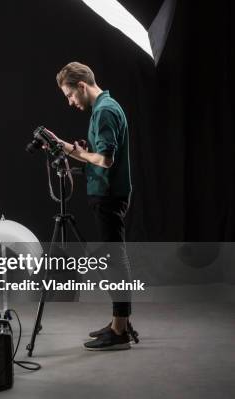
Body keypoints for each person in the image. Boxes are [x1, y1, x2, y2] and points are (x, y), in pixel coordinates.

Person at [49, 61, 138, 350]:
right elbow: (98, 156)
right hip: (109, 193)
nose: (71, 102)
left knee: (116, 260)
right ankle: (117, 323)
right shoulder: (106, 107)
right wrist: (66, 147)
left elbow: (106, 160)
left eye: (70, 95)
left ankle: (121, 330)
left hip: (109, 195)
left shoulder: (104, 111)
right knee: (114, 259)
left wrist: (75, 151)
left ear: (82, 86)